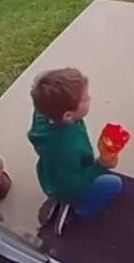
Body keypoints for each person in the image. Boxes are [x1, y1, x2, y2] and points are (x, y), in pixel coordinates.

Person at [28, 68, 123, 220]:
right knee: (115, 184)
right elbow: (74, 185)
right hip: (68, 186)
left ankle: (58, 196)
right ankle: (82, 210)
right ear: (68, 115)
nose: (89, 98)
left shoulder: (44, 115)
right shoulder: (67, 147)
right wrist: (101, 165)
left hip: (50, 174)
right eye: (85, 99)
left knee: (68, 176)